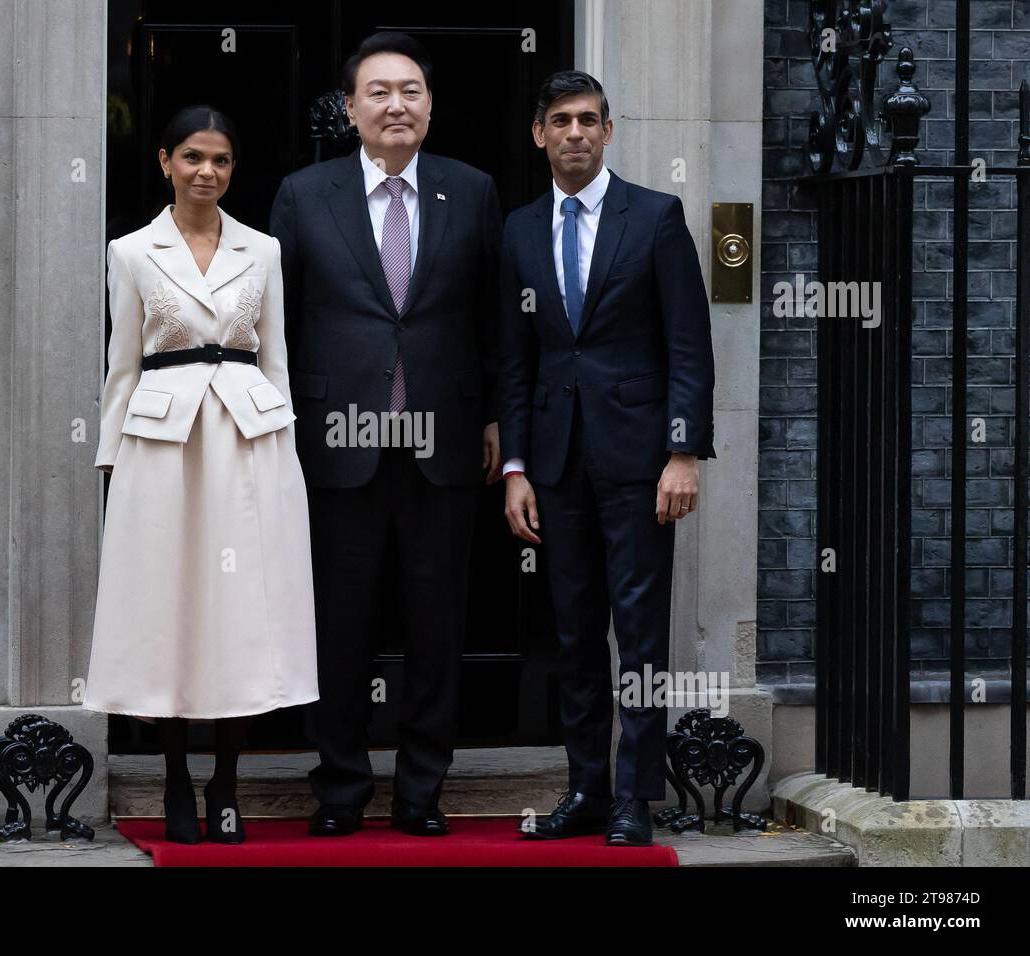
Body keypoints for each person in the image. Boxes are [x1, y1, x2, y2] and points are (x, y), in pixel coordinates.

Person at [270, 32, 503, 837]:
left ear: (430, 106)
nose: (396, 104)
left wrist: (498, 416)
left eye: (410, 90)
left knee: (438, 631)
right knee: (340, 630)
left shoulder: (471, 191)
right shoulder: (305, 194)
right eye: (379, 91)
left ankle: (420, 793)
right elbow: (281, 324)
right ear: (350, 109)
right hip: (337, 446)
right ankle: (339, 792)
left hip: (444, 443)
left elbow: (495, 316)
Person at [84, 105, 318, 845]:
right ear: (164, 162)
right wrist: (111, 459)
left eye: (219, 160)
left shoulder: (266, 250)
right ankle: (176, 777)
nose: (206, 172)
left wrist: (287, 456)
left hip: (250, 442)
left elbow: (275, 357)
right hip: (162, 447)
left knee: (239, 616)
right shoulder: (130, 252)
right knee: (169, 611)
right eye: (192, 157)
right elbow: (122, 365)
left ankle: (226, 781)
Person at [497, 71, 716, 846]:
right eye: (561, 121)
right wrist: (516, 465)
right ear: (540, 134)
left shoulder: (655, 216)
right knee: (574, 636)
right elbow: (515, 362)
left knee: (641, 635)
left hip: (639, 465)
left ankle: (636, 797)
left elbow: (689, 344)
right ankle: (587, 788)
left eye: (590, 120)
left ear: (609, 131)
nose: (577, 133)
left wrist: (683, 451)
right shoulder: (521, 230)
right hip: (554, 466)